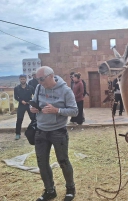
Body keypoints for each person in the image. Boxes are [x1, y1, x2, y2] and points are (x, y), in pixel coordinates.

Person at [30, 66, 78, 201]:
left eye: (41, 79)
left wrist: (57, 110)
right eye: (37, 79)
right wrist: (32, 108)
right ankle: (50, 191)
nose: (39, 82)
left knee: (63, 162)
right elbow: (34, 103)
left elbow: (74, 111)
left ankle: (70, 189)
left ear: (51, 76)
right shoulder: (39, 88)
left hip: (58, 131)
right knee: (42, 163)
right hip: (41, 131)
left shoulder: (65, 90)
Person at [14, 74, 36, 140]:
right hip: (21, 105)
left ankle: (36, 132)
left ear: (26, 79)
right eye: (21, 79)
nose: (22, 80)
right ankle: (17, 134)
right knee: (19, 120)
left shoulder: (31, 87)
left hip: (29, 104)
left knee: (33, 119)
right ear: (19, 79)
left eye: (23, 79)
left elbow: (35, 96)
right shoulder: (17, 88)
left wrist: (31, 101)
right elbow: (16, 97)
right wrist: (21, 101)